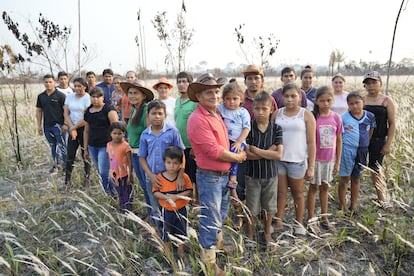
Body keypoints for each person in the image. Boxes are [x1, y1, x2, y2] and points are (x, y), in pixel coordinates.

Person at [187, 73, 246, 275]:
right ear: (199, 96)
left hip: (221, 175)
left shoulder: (215, 114)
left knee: (219, 213)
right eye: (208, 92)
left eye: (215, 91)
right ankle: (208, 262)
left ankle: (217, 245)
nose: (214, 95)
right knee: (210, 218)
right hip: (210, 176)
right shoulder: (197, 119)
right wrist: (237, 158)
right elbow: (214, 151)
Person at [274, 83, 316, 236]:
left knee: (298, 193)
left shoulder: (306, 115)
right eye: (286, 96)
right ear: (282, 97)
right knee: (281, 193)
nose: (290, 99)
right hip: (279, 160)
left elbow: (311, 143)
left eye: (293, 96)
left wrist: (311, 166)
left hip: (297, 161)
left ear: (300, 97)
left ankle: (298, 223)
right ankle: (278, 220)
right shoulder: (277, 114)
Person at [139, 100, 185, 234]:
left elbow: (181, 154)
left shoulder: (172, 132)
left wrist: (180, 176)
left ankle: (177, 235)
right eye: (154, 113)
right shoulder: (145, 135)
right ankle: (162, 235)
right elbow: (142, 157)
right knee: (156, 208)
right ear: (148, 116)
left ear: (165, 115)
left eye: (160, 113)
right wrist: (151, 176)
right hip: (153, 178)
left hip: (171, 178)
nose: (157, 116)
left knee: (173, 207)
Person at [245, 92, 283, 247]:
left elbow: (279, 155)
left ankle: (267, 233)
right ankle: (250, 234)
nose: (261, 112)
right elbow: (246, 155)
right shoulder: (248, 128)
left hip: (270, 175)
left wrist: (256, 150)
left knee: (269, 207)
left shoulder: (276, 129)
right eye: (257, 109)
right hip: (252, 175)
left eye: (264, 109)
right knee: (252, 208)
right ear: (252, 110)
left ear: (271, 110)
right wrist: (269, 151)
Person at [239, 64, 278, 208]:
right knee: (242, 183)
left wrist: (266, 150)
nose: (253, 81)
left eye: (256, 78)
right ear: (245, 81)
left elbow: (274, 123)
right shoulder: (240, 100)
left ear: (262, 80)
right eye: (250, 78)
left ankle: (263, 213)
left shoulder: (269, 99)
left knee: (265, 183)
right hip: (245, 148)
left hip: (266, 147)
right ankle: (242, 213)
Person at [307, 86, 343, 234]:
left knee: (325, 187)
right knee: (313, 188)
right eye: (322, 101)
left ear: (333, 100)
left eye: (328, 100)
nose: (325, 103)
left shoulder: (336, 118)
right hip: (315, 160)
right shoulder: (313, 117)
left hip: (329, 160)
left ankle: (324, 217)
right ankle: (311, 218)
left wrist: (337, 162)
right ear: (316, 101)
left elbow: (339, 140)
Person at [363, 71, 396, 209]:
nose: (371, 86)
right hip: (362, 140)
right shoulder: (362, 100)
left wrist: (388, 143)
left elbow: (392, 123)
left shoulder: (387, 101)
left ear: (380, 83)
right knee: (357, 169)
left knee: (376, 169)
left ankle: (382, 199)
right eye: (368, 83)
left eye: (374, 82)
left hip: (378, 139)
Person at [152, 146, 193, 261]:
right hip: (167, 211)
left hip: (181, 209)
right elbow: (155, 192)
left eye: (175, 163)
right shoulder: (160, 177)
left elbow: (190, 191)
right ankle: (167, 252)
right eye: (169, 162)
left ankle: (181, 251)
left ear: (180, 164)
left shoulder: (184, 177)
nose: (171, 166)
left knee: (182, 230)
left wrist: (176, 197)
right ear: (164, 163)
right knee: (167, 231)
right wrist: (166, 197)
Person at [338, 91, 376, 213]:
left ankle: (353, 204)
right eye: (351, 104)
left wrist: (365, 144)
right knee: (345, 178)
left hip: (362, 150)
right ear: (348, 105)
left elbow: (370, 131)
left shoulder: (370, 116)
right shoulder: (344, 118)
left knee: (356, 177)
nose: (354, 106)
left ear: (363, 102)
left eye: (357, 103)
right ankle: (343, 205)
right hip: (347, 150)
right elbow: (339, 135)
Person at [121, 80, 154, 217]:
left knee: (149, 187)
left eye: (136, 93)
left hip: (143, 155)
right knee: (144, 186)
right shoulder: (134, 109)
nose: (132, 96)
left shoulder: (146, 110)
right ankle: (150, 214)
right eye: (130, 93)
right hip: (134, 153)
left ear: (143, 95)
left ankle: (155, 217)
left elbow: (150, 134)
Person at [83, 87, 118, 196]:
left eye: (98, 97)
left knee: (104, 172)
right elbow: (86, 131)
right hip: (92, 145)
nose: (95, 99)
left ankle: (112, 193)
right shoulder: (88, 111)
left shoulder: (109, 110)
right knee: (100, 171)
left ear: (103, 97)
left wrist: (115, 146)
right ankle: (109, 193)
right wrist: (85, 149)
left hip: (106, 145)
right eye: (93, 97)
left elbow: (116, 128)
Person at [36, 74, 67, 172]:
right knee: (52, 145)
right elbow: (39, 111)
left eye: (50, 82)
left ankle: (66, 166)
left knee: (61, 146)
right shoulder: (41, 96)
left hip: (59, 126)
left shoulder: (61, 96)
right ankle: (56, 164)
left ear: (54, 82)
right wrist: (39, 126)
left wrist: (65, 124)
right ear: (43, 83)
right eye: (46, 82)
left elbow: (66, 111)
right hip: (47, 126)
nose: (48, 84)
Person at [64, 77, 91, 188]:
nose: (77, 88)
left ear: (84, 87)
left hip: (84, 128)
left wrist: (74, 127)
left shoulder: (87, 98)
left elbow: (87, 117)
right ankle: (67, 180)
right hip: (72, 128)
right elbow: (66, 113)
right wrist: (72, 128)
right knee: (70, 155)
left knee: (85, 153)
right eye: (75, 86)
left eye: (79, 86)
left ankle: (87, 178)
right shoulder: (69, 97)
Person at [174, 72, 197, 191]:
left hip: (191, 145)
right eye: (179, 82)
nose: (181, 84)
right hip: (180, 145)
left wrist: (194, 145)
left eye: (184, 81)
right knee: (184, 173)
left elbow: (198, 125)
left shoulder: (194, 101)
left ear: (190, 83)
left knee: (194, 175)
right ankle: (187, 200)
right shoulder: (177, 101)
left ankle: (196, 201)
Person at [107, 122, 133, 212]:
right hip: (115, 175)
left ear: (124, 134)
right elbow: (110, 159)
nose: (117, 136)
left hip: (125, 175)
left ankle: (129, 211)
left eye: (119, 133)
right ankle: (122, 209)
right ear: (110, 134)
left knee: (127, 194)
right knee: (120, 193)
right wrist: (111, 172)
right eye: (114, 133)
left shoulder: (126, 146)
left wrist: (130, 176)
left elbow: (130, 162)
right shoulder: (109, 145)